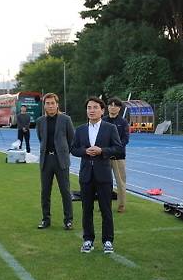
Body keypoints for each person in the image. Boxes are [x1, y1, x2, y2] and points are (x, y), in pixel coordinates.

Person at [71, 97, 123, 253]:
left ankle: (108, 240)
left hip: (103, 175)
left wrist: (102, 151)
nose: (91, 110)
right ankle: (88, 240)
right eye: (89, 108)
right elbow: (73, 149)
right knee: (86, 209)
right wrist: (84, 151)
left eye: (95, 107)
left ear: (102, 110)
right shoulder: (80, 129)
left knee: (106, 209)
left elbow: (118, 148)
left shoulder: (109, 128)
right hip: (86, 175)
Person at [35, 93, 75, 230]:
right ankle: (45, 219)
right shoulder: (40, 121)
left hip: (61, 160)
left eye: (53, 103)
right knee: (45, 192)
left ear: (57, 104)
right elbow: (41, 138)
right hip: (46, 160)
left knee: (65, 191)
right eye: (48, 103)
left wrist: (63, 152)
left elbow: (72, 140)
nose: (50, 106)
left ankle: (68, 220)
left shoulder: (65, 119)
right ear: (44, 105)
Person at [103, 97, 130, 213]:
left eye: (115, 105)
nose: (113, 107)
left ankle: (121, 206)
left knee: (120, 183)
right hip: (104, 156)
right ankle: (104, 205)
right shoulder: (103, 120)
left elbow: (125, 139)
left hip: (119, 157)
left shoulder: (123, 122)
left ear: (119, 108)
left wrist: (115, 149)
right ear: (107, 107)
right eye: (111, 105)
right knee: (103, 182)